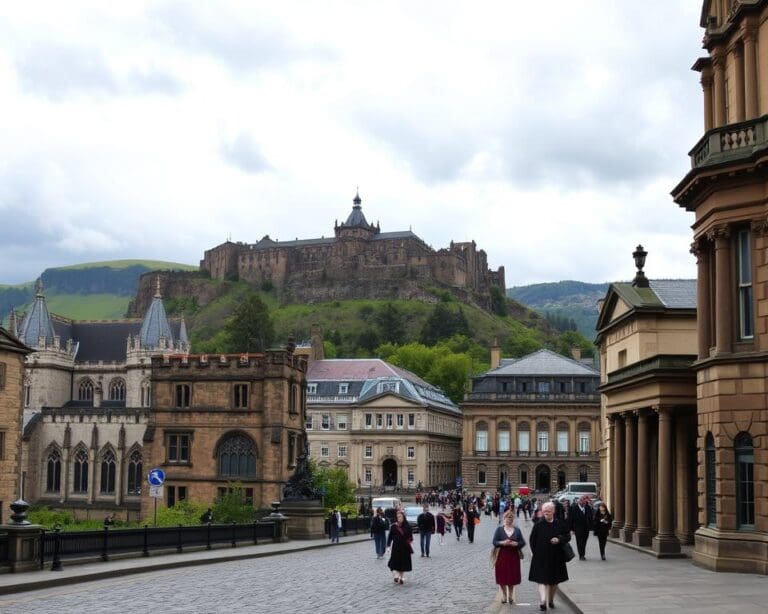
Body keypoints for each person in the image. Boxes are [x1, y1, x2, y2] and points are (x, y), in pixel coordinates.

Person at [528, 501, 571, 611]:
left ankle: (550, 600)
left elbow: (567, 536)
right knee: (541, 580)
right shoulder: (538, 525)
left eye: (549, 511)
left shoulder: (560, 523)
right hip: (541, 557)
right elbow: (532, 540)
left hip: (557, 557)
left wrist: (559, 539)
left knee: (554, 582)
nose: (546, 513)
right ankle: (543, 601)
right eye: (545, 511)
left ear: (553, 511)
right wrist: (535, 552)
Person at [492, 511, 526, 604]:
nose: (509, 520)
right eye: (507, 518)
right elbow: (494, 542)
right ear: (504, 519)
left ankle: (510, 596)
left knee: (511, 576)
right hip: (502, 556)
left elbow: (522, 542)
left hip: (513, 556)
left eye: (511, 518)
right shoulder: (499, 530)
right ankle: (504, 595)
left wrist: (517, 544)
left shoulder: (517, 530)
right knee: (502, 576)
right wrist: (502, 542)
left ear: (513, 520)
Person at [386, 510, 413, 584]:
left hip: (405, 547)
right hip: (396, 547)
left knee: (403, 563)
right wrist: (388, 546)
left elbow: (410, 537)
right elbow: (390, 537)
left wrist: (409, 542)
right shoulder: (394, 526)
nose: (399, 518)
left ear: (403, 517)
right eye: (398, 517)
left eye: (400, 516)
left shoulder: (407, 526)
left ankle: (401, 577)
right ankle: (396, 576)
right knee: (394, 562)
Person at [570, 496, 593, 561]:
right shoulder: (574, 508)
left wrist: (591, 526)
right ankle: (581, 555)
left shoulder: (587, 508)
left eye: (585, 502)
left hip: (586, 528)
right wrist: (571, 529)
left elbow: (591, 517)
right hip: (578, 528)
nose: (584, 503)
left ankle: (583, 553)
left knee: (584, 542)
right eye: (583, 502)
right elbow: (571, 519)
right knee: (579, 542)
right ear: (580, 501)